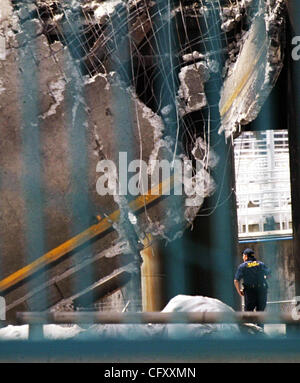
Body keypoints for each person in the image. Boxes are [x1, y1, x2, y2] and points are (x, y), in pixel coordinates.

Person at [234, 248, 271, 312]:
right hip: (262, 290)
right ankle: (259, 322)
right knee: (260, 313)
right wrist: (264, 278)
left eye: (243, 256)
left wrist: (239, 291)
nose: (243, 258)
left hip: (250, 292)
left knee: (249, 314)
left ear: (245, 256)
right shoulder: (261, 264)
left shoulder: (242, 266)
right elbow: (269, 275)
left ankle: (251, 322)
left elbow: (236, 281)